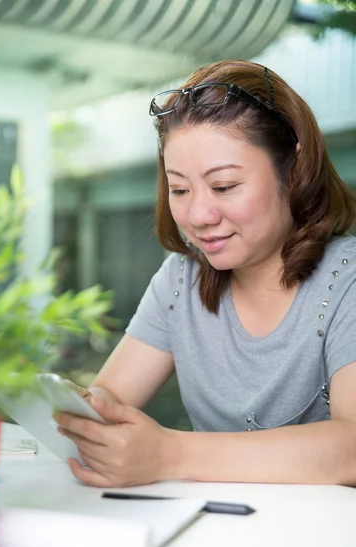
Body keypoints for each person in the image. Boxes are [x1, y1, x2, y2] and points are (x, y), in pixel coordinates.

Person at [56, 59, 356, 488]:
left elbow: (351, 448)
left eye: (224, 187)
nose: (198, 215)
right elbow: (112, 397)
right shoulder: (181, 280)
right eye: (179, 189)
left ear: (294, 168)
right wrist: (84, 410)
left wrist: (167, 454)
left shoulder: (347, 282)